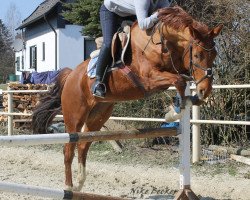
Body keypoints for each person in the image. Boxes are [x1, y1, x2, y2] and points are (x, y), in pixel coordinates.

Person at [92, 0, 171, 98]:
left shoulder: (163, 1)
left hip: (130, 13)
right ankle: (98, 82)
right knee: (108, 43)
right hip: (111, 11)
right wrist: (158, 15)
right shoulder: (143, 1)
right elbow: (143, 24)